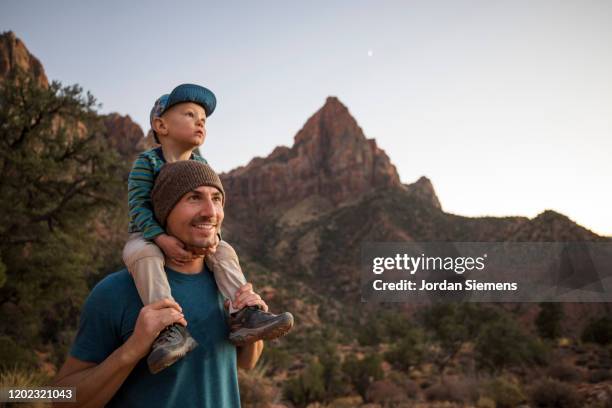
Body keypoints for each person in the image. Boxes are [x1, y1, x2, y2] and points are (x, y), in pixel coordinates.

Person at [53, 161, 274, 407]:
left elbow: (246, 363)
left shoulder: (227, 286)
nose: (211, 211)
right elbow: (60, 399)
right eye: (194, 198)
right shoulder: (115, 292)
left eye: (216, 199)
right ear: (164, 210)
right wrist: (133, 349)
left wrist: (250, 330)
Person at [122, 83, 293, 373]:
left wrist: (213, 240)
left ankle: (244, 313)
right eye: (189, 114)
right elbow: (137, 206)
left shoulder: (202, 164)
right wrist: (161, 238)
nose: (200, 120)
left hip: (196, 238)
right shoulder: (147, 162)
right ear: (160, 125)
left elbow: (209, 215)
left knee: (224, 251)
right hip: (149, 236)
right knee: (143, 255)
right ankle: (170, 329)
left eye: (203, 117)